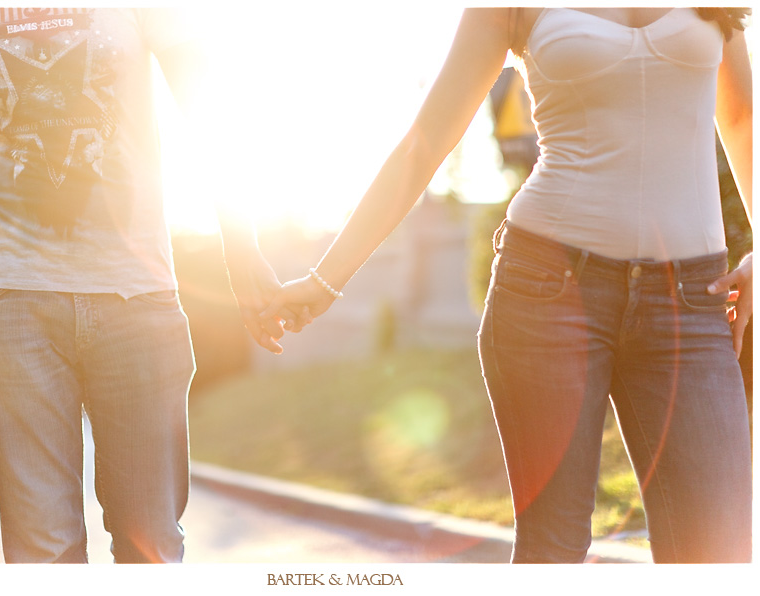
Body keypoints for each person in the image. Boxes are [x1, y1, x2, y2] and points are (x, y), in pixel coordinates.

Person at [264, 7, 753, 563]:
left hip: (692, 302)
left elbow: (741, 118)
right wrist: (326, 279)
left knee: (718, 551)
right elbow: (424, 144)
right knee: (554, 546)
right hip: (550, 291)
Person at [0, 7, 288, 563]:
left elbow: (208, 115)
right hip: (10, 300)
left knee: (151, 541)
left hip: (136, 297)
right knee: (41, 550)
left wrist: (241, 250)